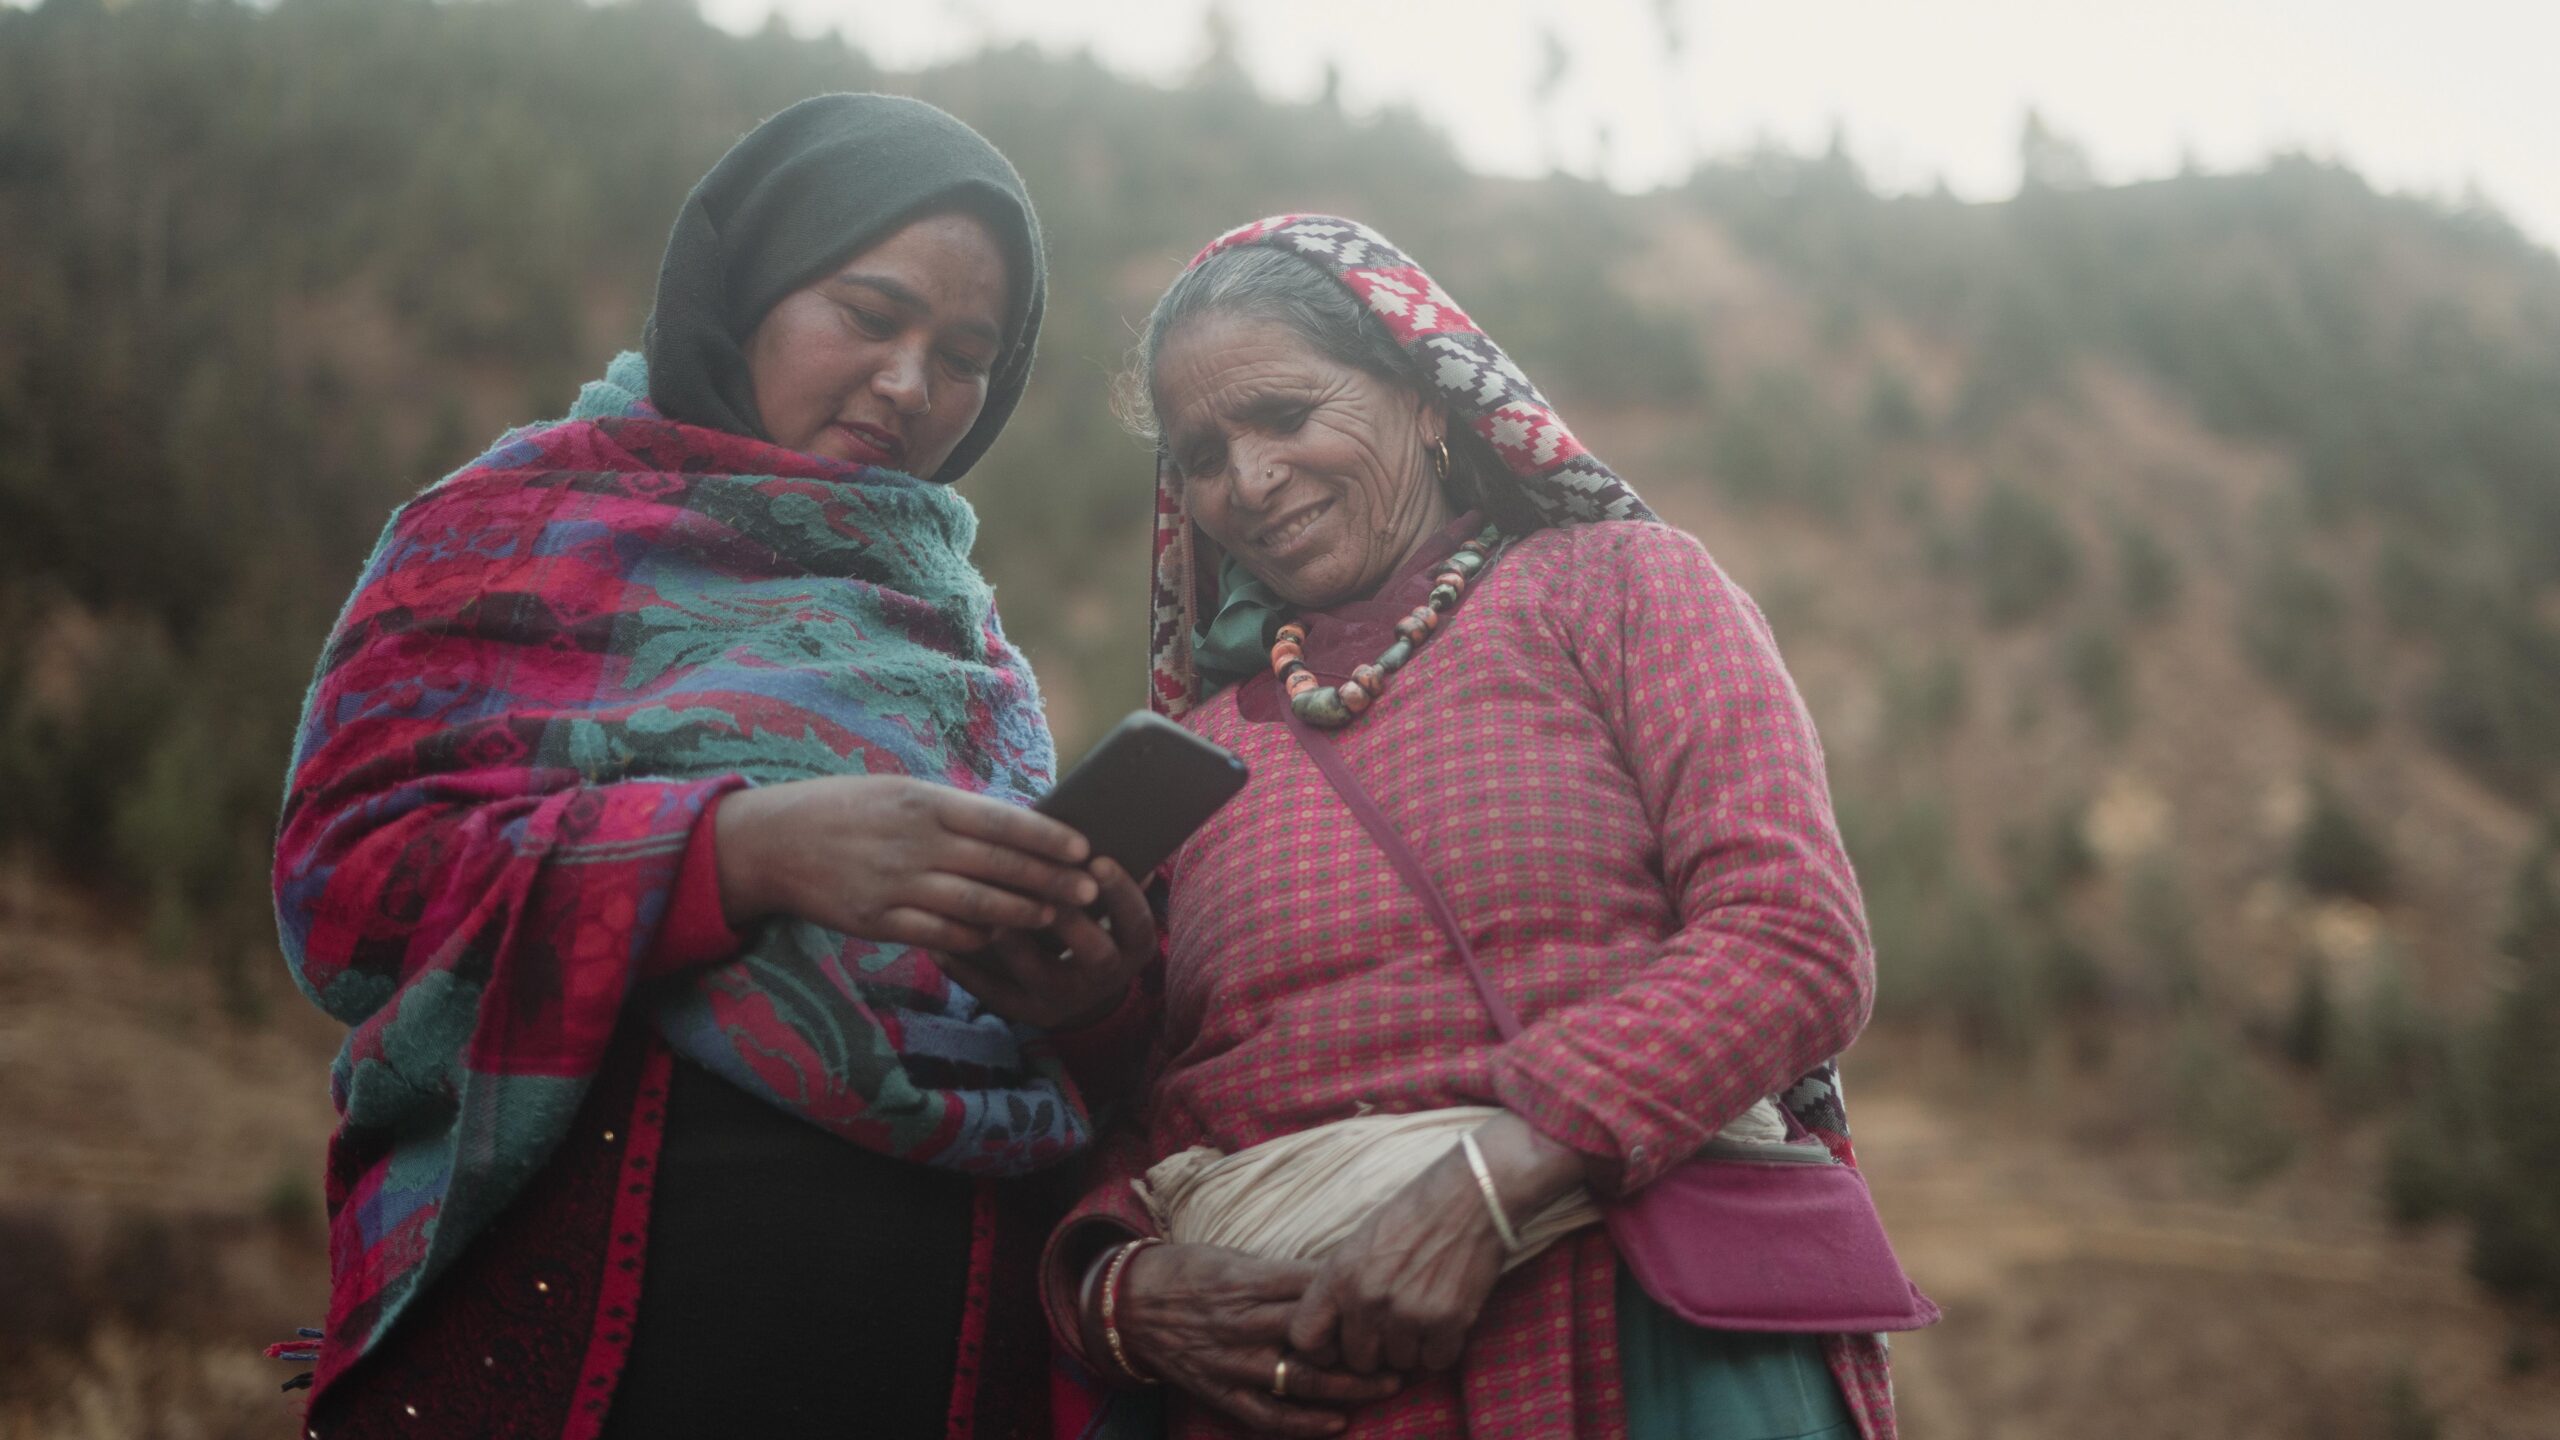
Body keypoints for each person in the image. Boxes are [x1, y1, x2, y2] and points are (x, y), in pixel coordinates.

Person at [274, 94, 1156, 1440]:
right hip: (579, 1352)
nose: (914, 386)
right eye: (869, 315)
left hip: (934, 1370)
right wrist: (741, 853)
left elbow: (1036, 1059)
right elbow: (347, 896)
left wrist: (1082, 998)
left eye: (966, 355)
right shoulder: (502, 536)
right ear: (744, 284)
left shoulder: (967, 646)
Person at [1039, 215, 1902, 1440]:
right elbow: (1155, 1112)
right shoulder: (1202, 752)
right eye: (1202, 454)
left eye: (1285, 414)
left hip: (1644, 1338)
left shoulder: (1618, 587)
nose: (1249, 479)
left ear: (1428, 398)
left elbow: (1794, 940)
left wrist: (1494, 1184)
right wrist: (1120, 1291)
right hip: (1306, 1392)